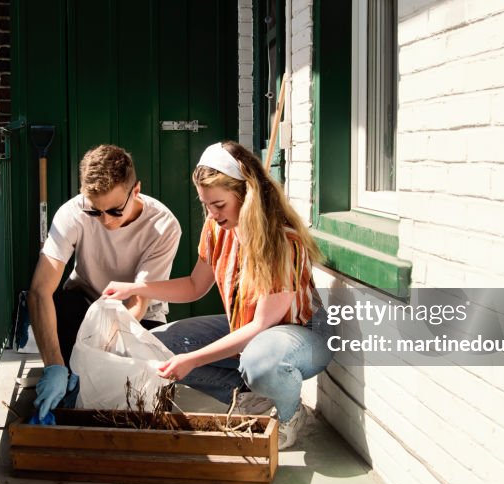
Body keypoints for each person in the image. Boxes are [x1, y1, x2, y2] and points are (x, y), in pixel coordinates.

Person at [103, 141, 332, 449]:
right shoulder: (216, 229)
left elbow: (262, 325)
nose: (212, 213)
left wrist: (193, 360)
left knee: (261, 360)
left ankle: (290, 416)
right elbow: (194, 286)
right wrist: (136, 288)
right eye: (206, 204)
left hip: (300, 337)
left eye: (219, 204)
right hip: (248, 330)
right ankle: (256, 398)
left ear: (245, 194)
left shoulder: (281, 240)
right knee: (157, 344)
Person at [29, 144, 182, 418]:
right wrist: (54, 365)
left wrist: (96, 351)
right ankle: (61, 384)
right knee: (61, 306)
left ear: (135, 191)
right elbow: (40, 290)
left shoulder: (163, 225)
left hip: (137, 318)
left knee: (131, 397)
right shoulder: (71, 213)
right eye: (94, 212)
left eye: (113, 211)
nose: (104, 221)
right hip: (84, 305)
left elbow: (139, 301)